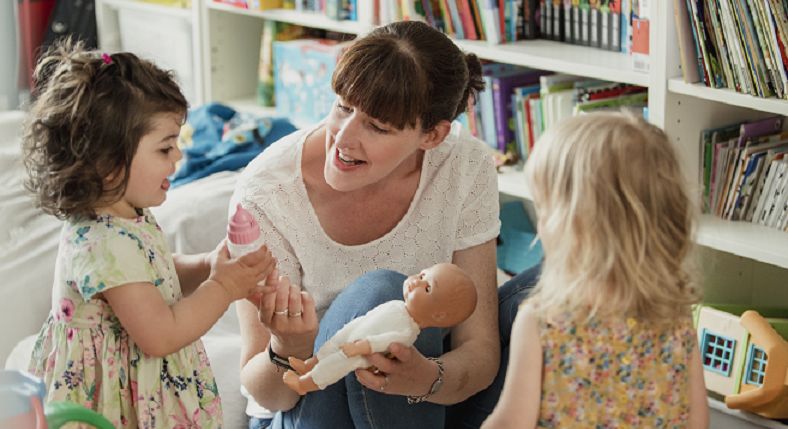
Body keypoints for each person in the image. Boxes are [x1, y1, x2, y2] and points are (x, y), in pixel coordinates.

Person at [231, 20, 501, 428]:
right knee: (382, 292)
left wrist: (426, 379)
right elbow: (265, 393)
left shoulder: (465, 166)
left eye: (376, 126)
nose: (343, 138)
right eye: (343, 106)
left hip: (426, 391)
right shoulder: (265, 195)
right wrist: (287, 346)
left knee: (542, 292)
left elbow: (479, 348)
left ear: (432, 135)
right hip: (307, 406)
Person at [22, 40, 276, 428]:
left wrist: (208, 265)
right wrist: (223, 288)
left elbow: (152, 272)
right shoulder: (102, 242)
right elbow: (160, 334)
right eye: (164, 149)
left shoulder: (126, 214)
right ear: (108, 164)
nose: (178, 158)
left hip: (137, 378)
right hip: (111, 401)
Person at [482, 112, 710, 428]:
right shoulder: (676, 314)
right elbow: (698, 422)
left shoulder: (543, 320)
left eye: (545, 209)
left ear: (577, 226)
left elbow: (510, 422)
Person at [283, 263, 477, 395]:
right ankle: (309, 364)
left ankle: (304, 384)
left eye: (427, 288)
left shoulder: (408, 332)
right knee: (331, 346)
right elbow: (372, 316)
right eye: (422, 275)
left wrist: (361, 348)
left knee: (335, 365)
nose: (416, 281)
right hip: (354, 331)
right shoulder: (398, 305)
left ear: (438, 315)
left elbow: (384, 341)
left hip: (361, 351)